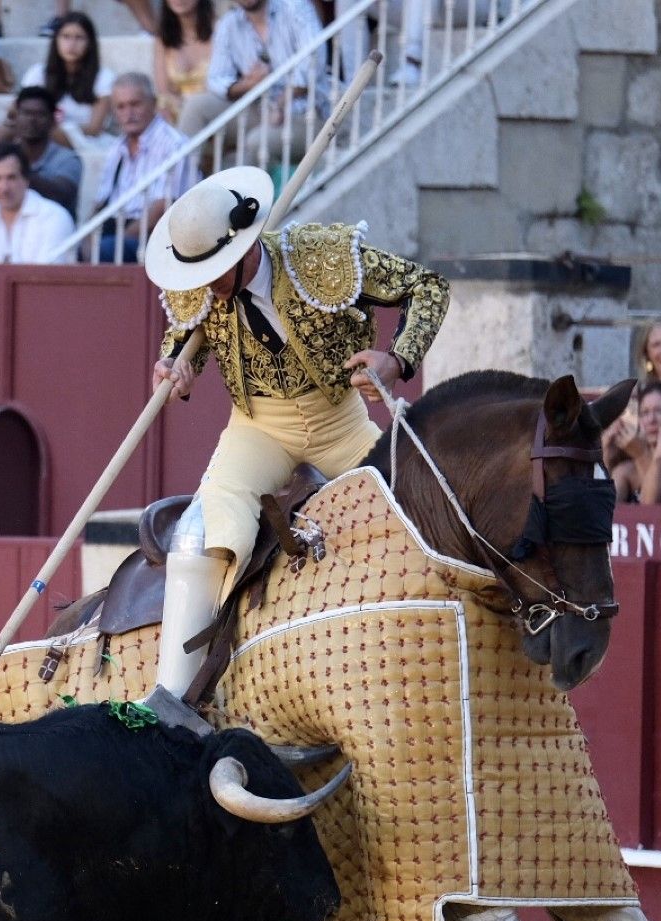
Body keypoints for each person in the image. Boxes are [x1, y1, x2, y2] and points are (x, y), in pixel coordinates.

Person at [142, 166, 448, 703]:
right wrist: (173, 369)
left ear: (242, 253)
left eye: (215, 272)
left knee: (410, 523)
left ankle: (420, 666)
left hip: (340, 421)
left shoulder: (319, 255)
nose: (205, 288)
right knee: (201, 536)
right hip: (258, 429)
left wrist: (397, 358)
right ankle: (176, 700)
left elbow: (428, 286)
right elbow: (182, 339)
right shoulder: (202, 289)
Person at [88, 73, 196, 263]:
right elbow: (100, 203)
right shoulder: (116, 148)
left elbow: (163, 207)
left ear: (153, 103)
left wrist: (117, 240)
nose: (128, 113)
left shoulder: (174, 144)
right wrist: (87, 240)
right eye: (121, 107)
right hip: (116, 230)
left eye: (135, 104)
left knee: (105, 250)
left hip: (157, 236)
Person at [0, 142, 75, 264]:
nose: (4, 188)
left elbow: (47, 276)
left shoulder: (54, 217)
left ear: (26, 179)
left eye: (11, 178)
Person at [206, 0, 322, 114]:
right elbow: (216, 78)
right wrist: (248, 84)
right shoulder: (228, 24)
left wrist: (280, 103)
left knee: (259, 133)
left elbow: (313, 63)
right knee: (198, 106)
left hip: (306, 111)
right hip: (260, 108)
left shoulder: (295, 6)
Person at [0, 86, 82, 215]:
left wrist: (18, 171)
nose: (32, 120)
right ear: (16, 117)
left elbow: (61, 196)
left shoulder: (67, 159)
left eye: (40, 114)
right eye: (26, 113)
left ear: (52, 120)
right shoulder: (1, 158)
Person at [22, 13, 114, 148]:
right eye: (65, 37)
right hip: (41, 133)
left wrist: (59, 129)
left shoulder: (104, 76)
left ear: (90, 43)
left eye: (79, 38)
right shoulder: (38, 72)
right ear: (56, 40)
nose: (71, 44)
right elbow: (18, 109)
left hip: (84, 140)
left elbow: (95, 128)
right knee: (10, 128)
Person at [153, 0, 219, 137]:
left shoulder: (220, 30)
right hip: (176, 110)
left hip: (212, 107)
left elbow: (222, 83)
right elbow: (163, 91)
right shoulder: (163, 38)